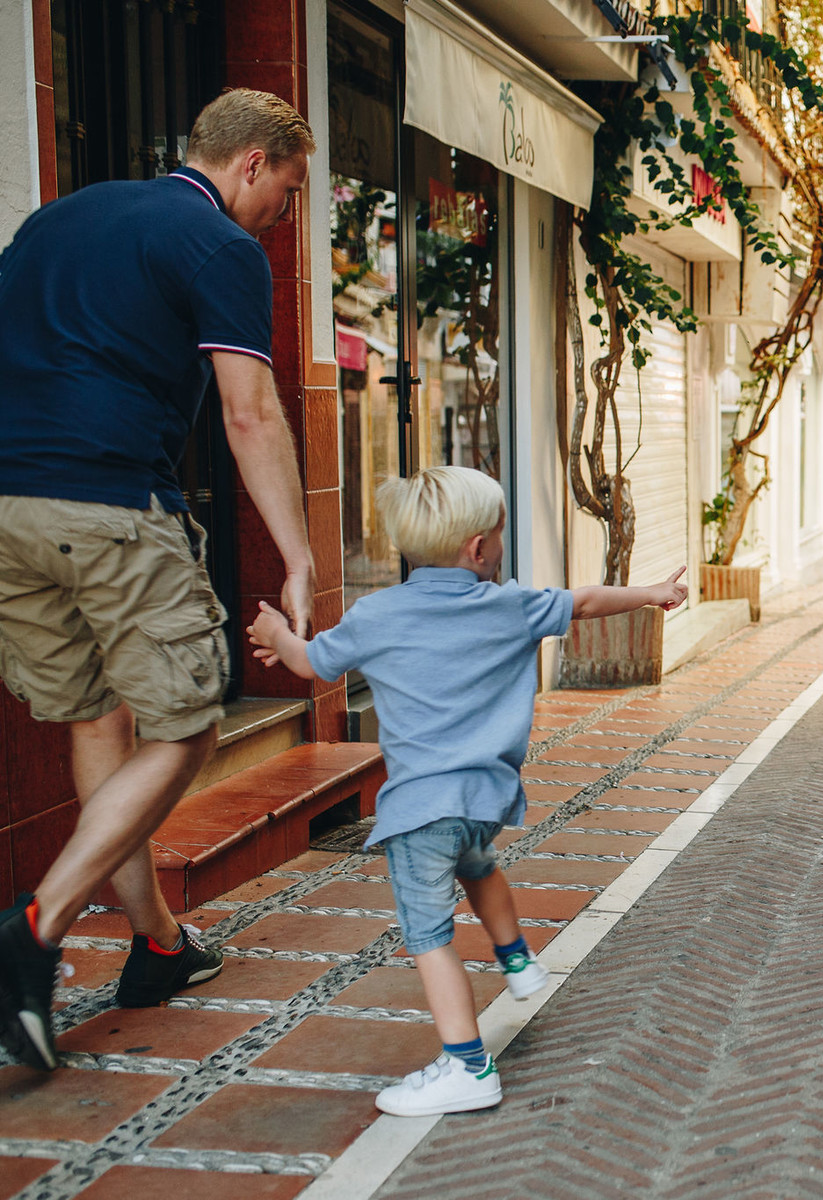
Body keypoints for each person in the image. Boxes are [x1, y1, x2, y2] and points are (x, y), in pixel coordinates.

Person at [0, 89, 318, 1071]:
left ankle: (155, 947)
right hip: (111, 510)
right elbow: (249, 411)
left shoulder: (59, 218)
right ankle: (33, 933)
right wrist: (301, 557)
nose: (287, 214)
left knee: (101, 720)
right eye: (291, 190)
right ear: (252, 163)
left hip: (10, 511)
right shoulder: (215, 244)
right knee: (186, 730)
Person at [248, 465, 687, 1116]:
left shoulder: (378, 613)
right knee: (478, 865)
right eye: (502, 533)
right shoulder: (510, 606)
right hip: (485, 801)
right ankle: (517, 961)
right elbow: (587, 601)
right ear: (479, 549)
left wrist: (279, 636)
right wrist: (651, 592)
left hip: (421, 810)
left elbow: (311, 664)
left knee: (429, 938)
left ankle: (468, 1068)